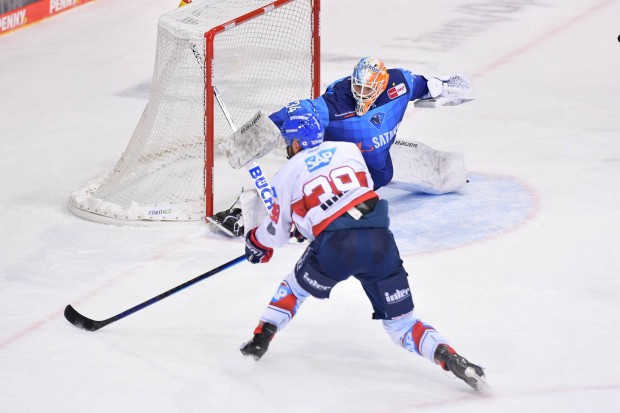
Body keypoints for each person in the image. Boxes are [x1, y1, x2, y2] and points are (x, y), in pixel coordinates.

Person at [239, 112, 488, 392]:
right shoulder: (347, 150)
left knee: (296, 288)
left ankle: (261, 338)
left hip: (336, 245)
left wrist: (256, 242)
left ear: (296, 143)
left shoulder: (286, 173)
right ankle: (450, 357)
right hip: (380, 238)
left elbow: (277, 233)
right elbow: (359, 193)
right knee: (402, 325)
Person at [210, 57, 471, 237]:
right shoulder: (335, 101)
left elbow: (426, 85)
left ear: (381, 85)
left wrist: (447, 87)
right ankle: (242, 214)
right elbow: (292, 111)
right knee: (315, 188)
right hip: (340, 156)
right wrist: (248, 140)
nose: (359, 93)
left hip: (377, 162)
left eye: (367, 89)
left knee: (382, 175)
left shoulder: (399, 83)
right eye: (357, 85)